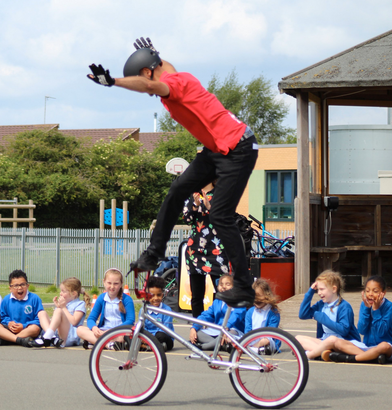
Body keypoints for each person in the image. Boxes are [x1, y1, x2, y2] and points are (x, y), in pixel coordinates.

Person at [87, 37, 258, 308]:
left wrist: (114, 82)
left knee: (220, 215)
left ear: (146, 73)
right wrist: (152, 54)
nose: (153, 92)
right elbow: (158, 72)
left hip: (238, 149)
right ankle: (154, 253)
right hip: (216, 149)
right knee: (178, 189)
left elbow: (148, 84)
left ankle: (244, 288)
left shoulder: (175, 84)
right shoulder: (177, 75)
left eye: (146, 83)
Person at [183, 180, 230, 317]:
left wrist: (210, 208)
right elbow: (187, 220)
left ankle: (219, 327)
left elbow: (225, 218)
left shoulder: (222, 193)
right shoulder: (192, 195)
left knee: (222, 292)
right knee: (197, 295)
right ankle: (197, 328)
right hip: (195, 250)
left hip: (217, 249)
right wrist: (195, 205)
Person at [322, 275, 392, 364]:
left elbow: (381, 332)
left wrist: (376, 310)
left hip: (386, 347)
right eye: (367, 291)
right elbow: (362, 330)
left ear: (383, 293)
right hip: (367, 346)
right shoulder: (364, 305)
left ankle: (350, 358)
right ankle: (371, 357)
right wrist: (366, 309)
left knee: (384, 346)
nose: (370, 294)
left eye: (375, 291)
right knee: (338, 342)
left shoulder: (389, 307)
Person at [296, 270, 360, 360]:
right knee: (298, 338)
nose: (319, 293)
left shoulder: (344, 306)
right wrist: (310, 292)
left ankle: (313, 353)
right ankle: (327, 353)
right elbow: (303, 314)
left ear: (334, 289)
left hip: (344, 342)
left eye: (322, 289)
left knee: (332, 339)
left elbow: (344, 330)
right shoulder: (321, 304)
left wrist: (323, 318)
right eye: (317, 289)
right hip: (325, 342)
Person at [77, 268, 135, 349]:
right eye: (109, 283)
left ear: (121, 283)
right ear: (104, 282)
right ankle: (109, 345)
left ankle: (95, 342)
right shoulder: (101, 298)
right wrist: (94, 328)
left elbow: (130, 321)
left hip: (118, 331)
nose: (112, 286)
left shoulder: (127, 299)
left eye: (116, 283)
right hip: (103, 331)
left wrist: (112, 331)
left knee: (125, 336)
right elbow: (91, 319)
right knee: (80, 329)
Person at [29, 277, 90, 348]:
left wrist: (63, 308)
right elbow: (56, 323)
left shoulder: (80, 304)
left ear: (73, 293)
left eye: (63, 291)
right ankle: (52, 338)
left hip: (69, 336)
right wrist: (59, 307)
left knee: (58, 311)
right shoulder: (64, 305)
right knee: (41, 313)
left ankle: (48, 337)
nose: (60, 294)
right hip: (58, 334)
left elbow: (74, 322)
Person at [189, 274, 246, 350]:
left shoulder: (239, 301)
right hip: (218, 330)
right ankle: (221, 345)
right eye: (221, 284)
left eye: (227, 284)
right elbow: (206, 315)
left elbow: (236, 316)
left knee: (228, 336)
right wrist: (194, 327)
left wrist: (227, 326)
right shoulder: (217, 302)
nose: (224, 287)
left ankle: (203, 346)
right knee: (198, 333)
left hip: (233, 330)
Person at [0, 270, 47, 347]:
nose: (20, 288)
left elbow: (38, 320)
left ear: (27, 285)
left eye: (22, 284)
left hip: (26, 330)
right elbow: (3, 317)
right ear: (10, 288)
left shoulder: (34, 298)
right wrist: (9, 323)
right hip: (10, 330)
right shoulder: (6, 300)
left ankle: (10, 340)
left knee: (35, 329)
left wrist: (24, 325)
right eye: (16, 285)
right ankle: (19, 340)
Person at [244, 278, 281, 354]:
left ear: (267, 295)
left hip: (267, 339)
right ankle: (255, 349)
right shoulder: (250, 312)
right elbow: (248, 329)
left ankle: (253, 348)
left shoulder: (273, 312)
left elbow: (272, 331)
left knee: (265, 341)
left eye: (259, 296)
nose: (257, 300)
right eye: (255, 298)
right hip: (252, 339)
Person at [141, 276, 174, 352]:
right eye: (152, 295)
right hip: (147, 337)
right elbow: (142, 327)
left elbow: (166, 329)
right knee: (132, 333)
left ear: (162, 295)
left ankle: (146, 346)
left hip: (164, 338)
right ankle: (152, 346)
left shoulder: (167, 310)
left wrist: (152, 337)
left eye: (158, 295)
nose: (156, 298)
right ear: (146, 296)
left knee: (161, 335)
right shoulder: (143, 309)